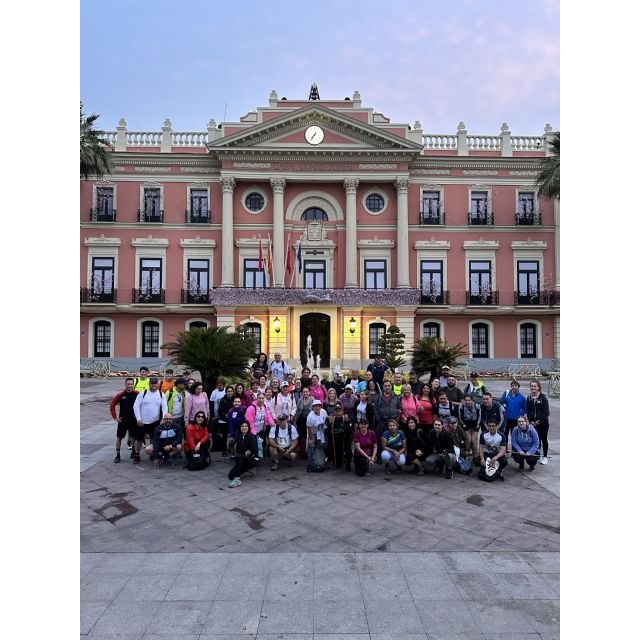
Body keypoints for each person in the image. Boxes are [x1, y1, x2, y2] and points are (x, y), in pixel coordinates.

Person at [133, 377, 170, 464]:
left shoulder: (161, 394)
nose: (153, 385)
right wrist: (138, 419)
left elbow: (165, 407)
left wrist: (163, 419)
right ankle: (136, 455)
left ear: (157, 384)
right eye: (152, 383)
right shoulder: (143, 393)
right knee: (139, 439)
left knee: (154, 439)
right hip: (142, 421)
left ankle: (152, 453)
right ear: (149, 384)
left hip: (155, 421)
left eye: (155, 383)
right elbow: (136, 406)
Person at [109, 378, 139, 463]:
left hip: (133, 420)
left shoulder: (137, 394)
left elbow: (142, 405)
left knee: (134, 437)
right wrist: (115, 417)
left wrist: (140, 417)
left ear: (133, 385)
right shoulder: (121, 394)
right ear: (125, 384)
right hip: (123, 420)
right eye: (128, 384)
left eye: (131, 384)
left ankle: (133, 452)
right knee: (119, 437)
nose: (129, 386)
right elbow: (112, 405)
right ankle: (118, 455)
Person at [228, 421, 259, 487]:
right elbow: (233, 445)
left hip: (252, 459)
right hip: (242, 459)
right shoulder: (239, 436)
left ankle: (237, 480)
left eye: (246, 426)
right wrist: (231, 442)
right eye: (242, 426)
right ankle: (247, 469)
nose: (244, 428)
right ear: (240, 427)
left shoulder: (251, 436)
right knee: (230, 476)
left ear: (248, 427)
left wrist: (249, 451)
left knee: (240, 458)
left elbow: (255, 450)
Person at [526, 380, 551, 464]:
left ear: (538, 387)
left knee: (544, 439)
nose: (533, 388)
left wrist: (539, 421)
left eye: (535, 386)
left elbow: (546, 412)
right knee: (536, 440)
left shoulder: (543, 398)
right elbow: (528, 411)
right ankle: (537, 455)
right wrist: (531, 421)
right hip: (533, 424)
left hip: (543, 423)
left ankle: (545, 456)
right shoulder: (529, 398)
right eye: (531, 386)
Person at [245, 391, 275, 458]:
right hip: (252, 431)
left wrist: (273, 424)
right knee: (253, 445)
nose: (261, 400)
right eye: (259, 398)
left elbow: (268, 416)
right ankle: (253, 459)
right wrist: (254, 433)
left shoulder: (264, 407)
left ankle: (259, 457)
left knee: (261, 444)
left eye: (262, 398)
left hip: (261, 429)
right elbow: (250, 422)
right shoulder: (251, 408)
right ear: (256, 399)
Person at [456, 394, 481, 465]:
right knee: (468, 440)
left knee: (474, 440)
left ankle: (475, 456)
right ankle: (466, 456)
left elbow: (479, 417)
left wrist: (477, 427)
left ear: (472, 400)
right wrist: (464, 426)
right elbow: (460, 418)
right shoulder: (461, 406)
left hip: (475, 425)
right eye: (466, 400)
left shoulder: (477, 406)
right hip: (466, 425)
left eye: (469, 400)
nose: (467, 402)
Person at [327, 402, 352, 471]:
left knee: (348, 451)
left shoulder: (346, 418)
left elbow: (350, 432)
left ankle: (347, 464)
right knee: (334, 449)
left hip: (345, 440)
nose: (338, 413)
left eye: (339, 411)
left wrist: (347, 422)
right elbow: (328, 432)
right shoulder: (332, 419)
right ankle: (337, 462)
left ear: (342, 411)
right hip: (335, 441)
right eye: (336, 411)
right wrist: (329, 424)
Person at [306, 399, 328, 467]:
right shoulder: (310, 417)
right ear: (313, 407)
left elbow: (326, 420)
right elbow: (309, 428)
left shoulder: (323, 411)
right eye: (315, 406)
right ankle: (310, 464)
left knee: (322, 447)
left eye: (319, 406)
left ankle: (321, 461)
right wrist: (311, 439)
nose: (317, 407)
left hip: (322, 432)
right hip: (313, 433)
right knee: (311, 448)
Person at [215, 385, 236, 459]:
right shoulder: (222, 399)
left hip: (232, 420)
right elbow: (219, 411)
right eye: (228, 391)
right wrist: (226, 415)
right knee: (224, 436)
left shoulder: (235, 399)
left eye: (231, 391)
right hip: (224, 420)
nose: (230, 393)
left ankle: (231, 449)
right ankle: (224, 450)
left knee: (232, 435)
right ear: (226, 392)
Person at [294, 386, 314, 460]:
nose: (305, 393)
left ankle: (307, 452)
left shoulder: (312, 400)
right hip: (301, 420)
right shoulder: (300, 400)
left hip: (309, 420)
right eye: (304, 392)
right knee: (300, 436)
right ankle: (300, 452)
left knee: (307, 436)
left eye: (307, 392)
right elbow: (297, 411)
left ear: (309, 392)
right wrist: (295, 421)